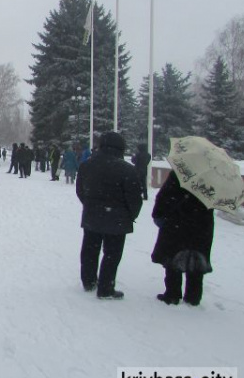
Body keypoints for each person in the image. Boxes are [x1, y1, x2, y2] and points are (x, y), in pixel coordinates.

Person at [76, 131, 142, 299]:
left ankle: (89, 280)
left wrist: (90, 205)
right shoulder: (127, 169)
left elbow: (81, 191)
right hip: (118, 219)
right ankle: (106, 287)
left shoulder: (87, 165)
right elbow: (134, 198)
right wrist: (129, 215)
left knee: (90, 250)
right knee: (112, 254)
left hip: (92, 215)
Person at [151, 171, 214, 306]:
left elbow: (164, 197)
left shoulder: (180, 173)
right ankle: (193, 296)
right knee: (197, 259)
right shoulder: (212, 177)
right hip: (202, 225)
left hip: (177, 222)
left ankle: (172, 294)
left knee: (173, 257)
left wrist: (158, 214)